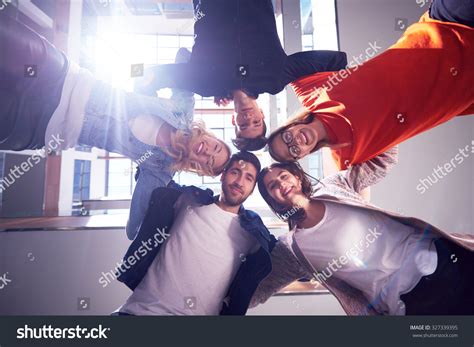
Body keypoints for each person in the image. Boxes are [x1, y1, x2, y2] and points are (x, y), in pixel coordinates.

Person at [0, 14, 231, 240]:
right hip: (61, 77)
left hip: (45, 126)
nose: (208, 152)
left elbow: (133, 231)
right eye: (216, 148)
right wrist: (214, 86)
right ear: (212, 138)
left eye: (209, 163)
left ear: (200, 169)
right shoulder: (183, 108)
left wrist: (179, 199)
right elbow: (184, 56)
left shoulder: (159, 172)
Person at [251, 146, 474, 315]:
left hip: (442, 259)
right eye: (272, 186)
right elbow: (260, 288)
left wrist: (327, 136)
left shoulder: (334, 185)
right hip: (410, 305)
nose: (281, 184)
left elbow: (383, 159)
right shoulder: (291, 248)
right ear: (272, 199)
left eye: (283, 176)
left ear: (297, 177)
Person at [267, 0, 473, 168]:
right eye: (293, 151)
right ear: (302, 156)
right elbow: (355, 195)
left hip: (443, 28)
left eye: (286, 137)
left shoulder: (310, 92)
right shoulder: (347, 158)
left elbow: (332, 60)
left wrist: (246, 94)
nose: (295, 142)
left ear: (290, 126)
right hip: (465, 87)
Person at [134, 0, 348, 151]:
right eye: (256, 122)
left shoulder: (204, 84)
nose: (248, 118)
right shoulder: (275, 79)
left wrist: (132, 77)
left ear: (233, 119)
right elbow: (336, 60)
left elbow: (149, 73)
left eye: (243, 125)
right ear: (262, 114)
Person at [113, 151, 277, 315]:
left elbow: (292, 255)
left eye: (248, 178)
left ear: (252, 188)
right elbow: (153, 174)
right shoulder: (188, 198)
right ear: (222, 175)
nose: (239, 182)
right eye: (235, 172)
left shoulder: (254, 235)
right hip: (138, 311)